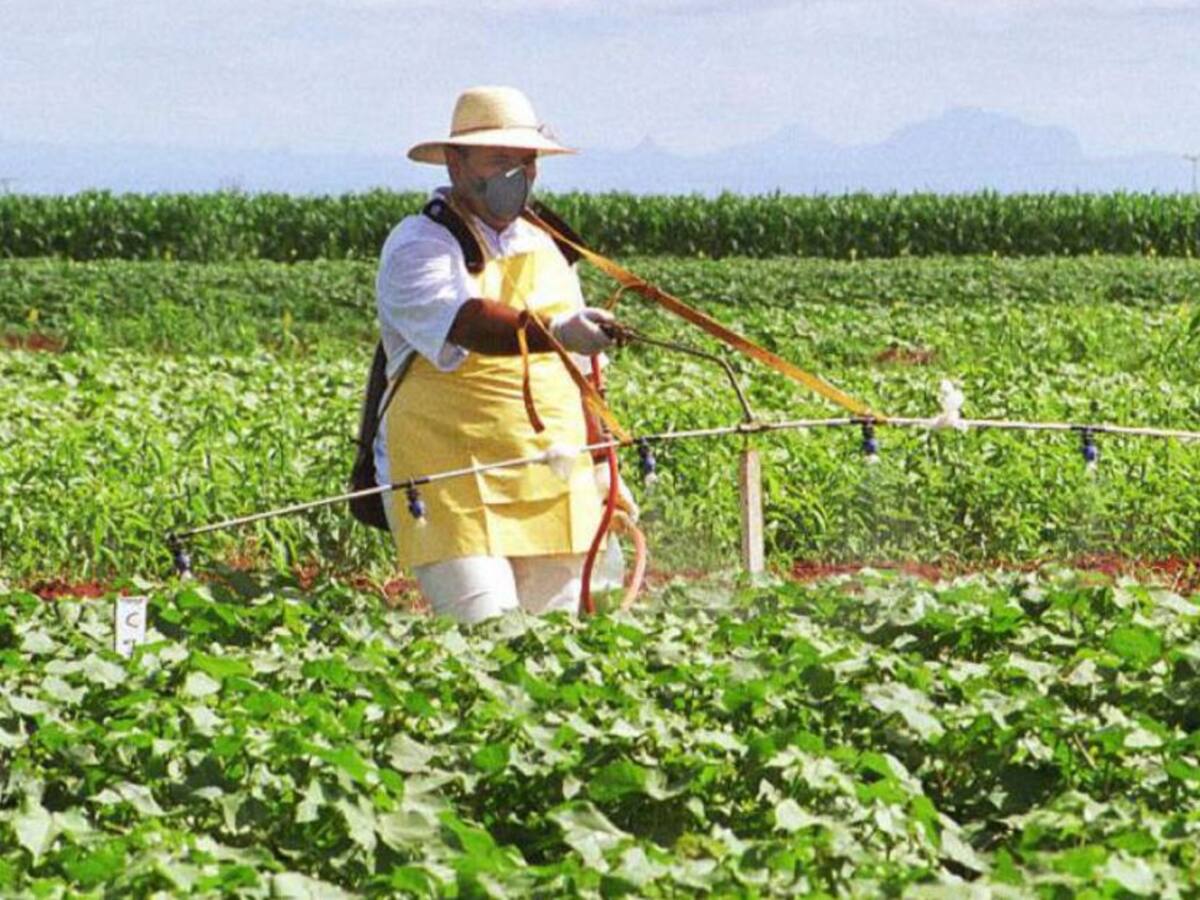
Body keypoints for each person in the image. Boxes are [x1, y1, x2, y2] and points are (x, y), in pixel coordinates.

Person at [374, 86, 635, 624]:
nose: (516, 175)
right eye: (499, 160)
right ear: (456, 162)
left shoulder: (547, 247)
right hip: (451, 480)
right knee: (491, 635)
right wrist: (558, 330)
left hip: (554, 477)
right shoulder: (420, 245)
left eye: (526, 161)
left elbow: (584, 374)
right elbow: (468, 323)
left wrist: (604, 466)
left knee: (569, 642)